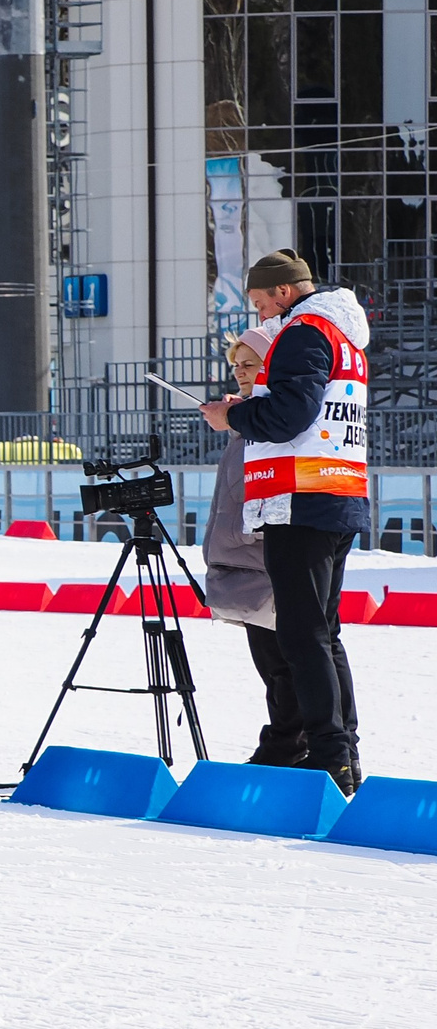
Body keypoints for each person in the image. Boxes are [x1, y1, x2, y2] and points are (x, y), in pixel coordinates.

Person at [202, 251, 369, 792]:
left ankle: (329, 758)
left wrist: (235, 416)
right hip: (336, 494)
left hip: (299, 500)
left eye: (259, 301)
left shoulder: (303, 331)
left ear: (283, 292)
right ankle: (344, 753)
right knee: (325, 633)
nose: (260, 313)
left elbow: (290, 414)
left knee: (301, 636)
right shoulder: (346, 337)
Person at [202, 322, 319, 766]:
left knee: (285, 666)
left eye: (250, 364)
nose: (240, 372)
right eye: (236, 365)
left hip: (269, 560)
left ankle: (285, 746)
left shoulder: (270, 420)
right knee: (273, 668)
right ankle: (285, 743)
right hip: (246, 564)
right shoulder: (246, 417)